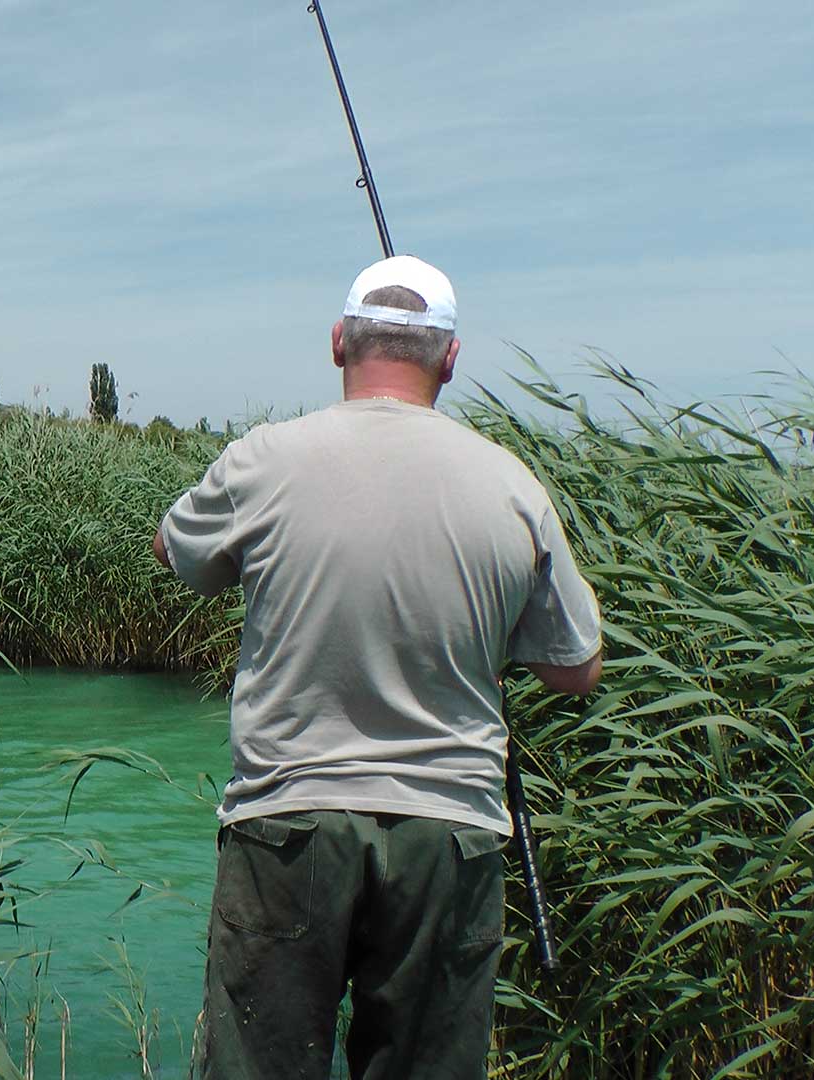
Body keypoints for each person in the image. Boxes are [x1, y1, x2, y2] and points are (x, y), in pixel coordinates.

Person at [154, 255, 604, 1079]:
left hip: (289, 826)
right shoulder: (513, 488)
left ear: (338, 344)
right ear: (451, 359)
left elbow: (176, 552)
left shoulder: (263, 460)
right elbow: (576, 667)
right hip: (451, 837)